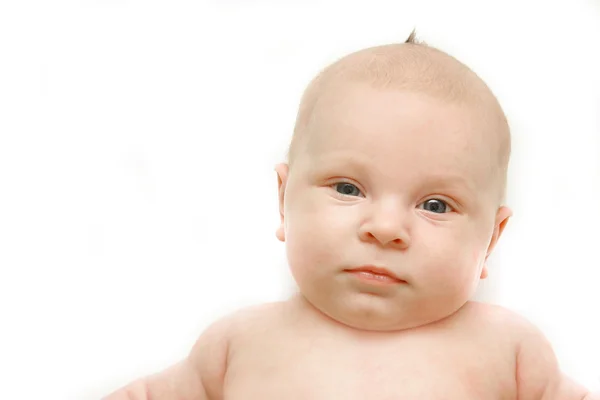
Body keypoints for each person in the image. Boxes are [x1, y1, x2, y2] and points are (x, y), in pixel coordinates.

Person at [103, 31, 597, 399]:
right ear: (283, 199)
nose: (384, 229)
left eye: (435, 205)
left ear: (491, 239)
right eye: (347, 188)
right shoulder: (239, 342)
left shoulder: (509, 350)